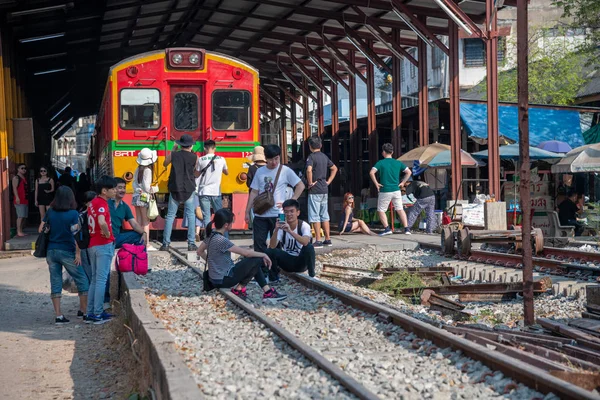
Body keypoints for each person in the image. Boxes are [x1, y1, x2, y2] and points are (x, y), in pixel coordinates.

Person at [197, 209, 287, 302]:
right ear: (226, 225)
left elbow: (199, 251)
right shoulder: (221, 240)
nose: (233, 224)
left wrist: (212, 262)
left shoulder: (211, 235)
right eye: (232, 222)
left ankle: (264, 291)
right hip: (224, 280)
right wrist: (264, 254)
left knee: (252, 262)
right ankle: (263, 292)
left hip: (215, 279)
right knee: (256, 259)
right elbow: (245, 253)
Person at [41, 186, 89, 324]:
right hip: (67, 251)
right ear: (71, 198)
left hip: (51, 251)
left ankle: (58, 315)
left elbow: (41, 228)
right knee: (81, 278)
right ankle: (84, 312)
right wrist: (78, 253)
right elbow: (76, 235)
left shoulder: (50, 212)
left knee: (55, 281)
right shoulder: (73, 214)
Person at [245, 144, 305, 253]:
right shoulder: (260, 171)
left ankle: (275, 268)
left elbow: (300, 185)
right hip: (260, 213)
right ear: (265, 159)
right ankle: (262, 268)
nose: (274, 162)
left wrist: (291, 201)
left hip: (279, 214)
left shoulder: (285, 170)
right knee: (259, 245)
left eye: (276, 158)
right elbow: (254, 192)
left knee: (278, 245)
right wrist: (247, 211)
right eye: (271, 159)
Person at [86, 175, 117, 324]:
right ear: (104, 191)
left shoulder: (92, 203)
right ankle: (97, 313)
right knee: (101, 280)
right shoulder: (102, 204)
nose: (115, 190)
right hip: (102, 244)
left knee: (94, 279)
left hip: (92, 244)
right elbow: (101, 221)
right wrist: (107, 234)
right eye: (112, 189)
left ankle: (90, 312)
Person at [161, 134, 199, 252]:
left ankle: (166, 244)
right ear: (191, 145)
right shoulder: (195, 157)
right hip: (189, 188)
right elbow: (195, 171)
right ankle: (191, 243)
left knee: (171, 215)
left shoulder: (174, 155)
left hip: (175, 187)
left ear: (180, 145)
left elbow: (164, 164)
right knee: (191, 215)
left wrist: (173, 149)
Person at [266, 199, 315, 281]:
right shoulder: (281, 227)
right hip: (287, 261)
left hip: (301, 261)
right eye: (286, 212)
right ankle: (273, 278)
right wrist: (276, 230)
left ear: (298, 213)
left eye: (292, 211)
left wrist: (289, 231)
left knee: (309, 247)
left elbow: (305, 242)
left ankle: (312, 275)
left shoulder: (303, 225)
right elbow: (272, 246)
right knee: (270, 251)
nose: (289, 214)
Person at [369, 143, 412, 236]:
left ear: (383, 152)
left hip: (385, 190)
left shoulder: (380, 163)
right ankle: (407, 229)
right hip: (396, 190)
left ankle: (387, 229)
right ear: (392, 152)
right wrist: (403, 182)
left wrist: (376, 184)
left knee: (381, 210)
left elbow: (371, 172)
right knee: (400, 209)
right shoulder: (398, 162)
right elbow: (409, 172)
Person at [305, 136, 338, 248]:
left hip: (314, 190)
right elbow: (334, 168)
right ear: (321, 145)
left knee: (315, 215)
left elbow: (309, 170)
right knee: (324, 215)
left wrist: (310, 182)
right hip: (324, 188)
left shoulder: (311, 157)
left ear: (310, 146)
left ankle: (318, 240)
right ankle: (328, 239)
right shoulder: (324, 157)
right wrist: (329, 181)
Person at [196, 140, 228, 238]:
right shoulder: (222, 159)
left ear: (205, 148)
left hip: (204, 191)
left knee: (206, 217)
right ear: (215, 148)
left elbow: (196, 174)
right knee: (220, 215)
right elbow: (226, 172)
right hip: (216, 192)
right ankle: (224, 237)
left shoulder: (201, 160)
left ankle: (209, 238)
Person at [132, 148, 159, 240]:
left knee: (138, 221)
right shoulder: (148, 170)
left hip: (136, 196)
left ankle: (137, 241)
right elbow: (147, 187)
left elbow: (134, 183)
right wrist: (156, 189)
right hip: (144, 197)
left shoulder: (137, 169)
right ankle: (146, 243)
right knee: (146, 222)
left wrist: (137, 189)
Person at [77, 191, 97, 282]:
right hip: (85, 247)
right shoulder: (81, 216)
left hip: (96, 246)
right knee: (89, 272)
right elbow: (76, 235)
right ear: (86, 203)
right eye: (91, 201)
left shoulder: (99, 214)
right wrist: (77, 253)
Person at [12, 163, 29, 237]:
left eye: (25, 168)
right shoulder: (16, 178)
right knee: (20, 216)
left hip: (25, 199)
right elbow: (14, 188)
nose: (24, 169)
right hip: (19, 200)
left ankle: (21, 231)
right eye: (22, 168)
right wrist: (17, 197)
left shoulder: (24, 178)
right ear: (18, 169)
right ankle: (18, 231)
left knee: (23, 216)